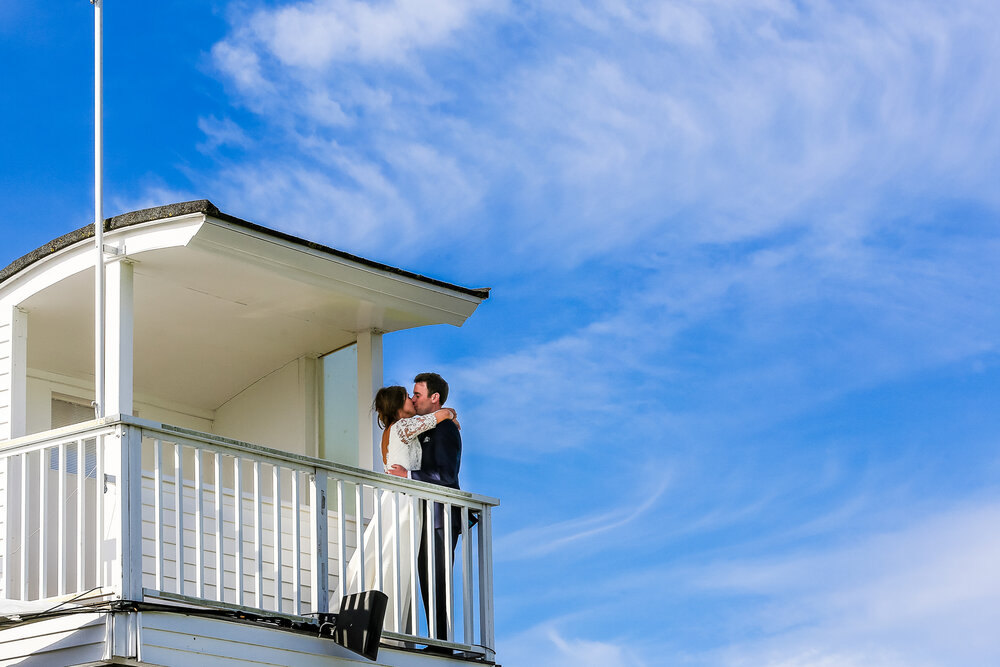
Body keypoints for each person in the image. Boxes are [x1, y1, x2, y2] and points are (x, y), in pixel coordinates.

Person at [341, 385, 457, 635]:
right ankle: (388, 627)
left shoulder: (395, 431)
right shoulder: (402, 427)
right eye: (407, 397)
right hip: (404, 503)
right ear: (397, 406)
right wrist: (449, 413)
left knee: (387, 558)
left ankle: (379, 621)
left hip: (397, 500)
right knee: (395, 561)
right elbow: (438, 417)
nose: (412, 401)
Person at [409, 372, 464, 647]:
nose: (413, 399)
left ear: (435, 398)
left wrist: (409, 477)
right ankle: (434, 639)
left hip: (440, 517)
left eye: (417, 394)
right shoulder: (423, 426)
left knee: (437, 580)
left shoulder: (446, 430)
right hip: (422, 517)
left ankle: (440, 643)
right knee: (424, 576)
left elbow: (445, 476)